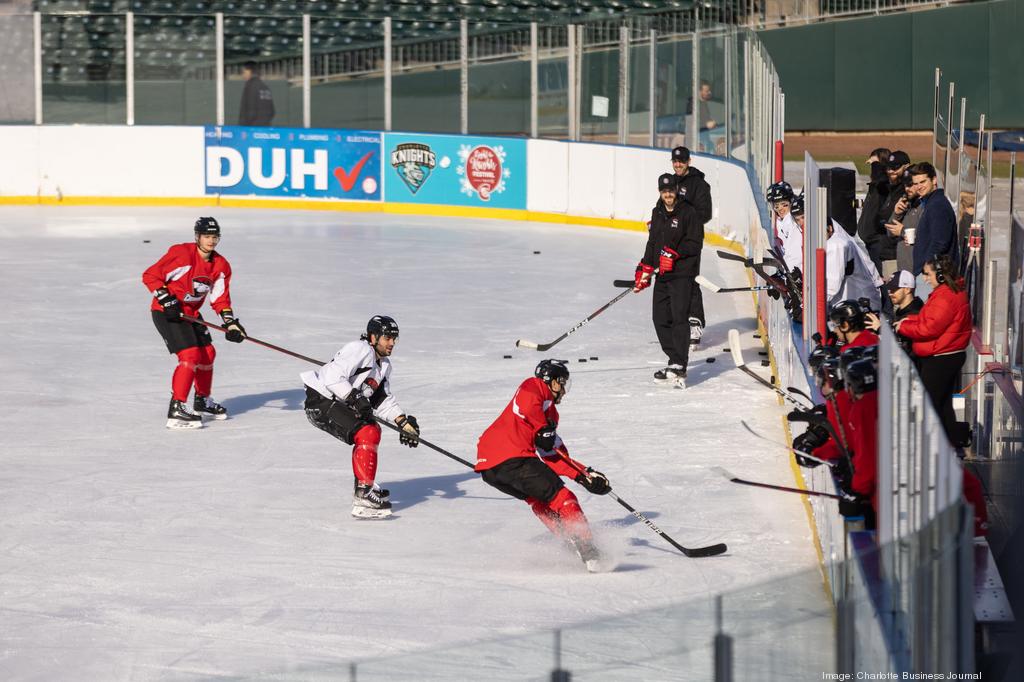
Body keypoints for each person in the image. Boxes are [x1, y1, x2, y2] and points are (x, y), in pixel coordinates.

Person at [476, 360, 611, 572]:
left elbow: (552, 453)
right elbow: (525, 405)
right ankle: (589, 550)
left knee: (538, 499)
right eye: (562, 383)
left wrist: (584, 475)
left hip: (492, 469)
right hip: (513, 458)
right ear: (552, 381)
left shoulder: (551, 415)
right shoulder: (534, 386)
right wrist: (541, 429)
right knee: (563, 498)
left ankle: (571, 542)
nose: (565, 390)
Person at [301, 315, 421, 519]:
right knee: (367, 431)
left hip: (336, 402)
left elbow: (381, 399)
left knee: (372, 430)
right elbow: (332, 377)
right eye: (387, 338)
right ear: (373, 337)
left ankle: (364, 488)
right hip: (321, 401)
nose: (392, 343)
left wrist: (403, 421)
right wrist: (355, 397)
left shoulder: (384, 366)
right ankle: (364, 495)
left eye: (395, 338)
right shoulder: (360, 349)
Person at [142, 217, 247, 429]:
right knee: (190, 355)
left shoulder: (220, 265)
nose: (211, 241)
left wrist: (230, 323)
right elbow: (151, 275)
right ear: (197, 237)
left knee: (208, 353)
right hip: (167, 312)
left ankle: (202, 400)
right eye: (207, 236)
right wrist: (166, 298)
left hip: (190, 313)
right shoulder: (182, 254)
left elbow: (219, 299)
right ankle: (177, 407)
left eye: (214, 236)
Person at [633, 173, 704, 388]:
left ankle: (680, 365)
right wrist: (645, 267)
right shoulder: (657, 212)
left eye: (671, 191)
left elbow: (695, 244)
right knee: (660, 318)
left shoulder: (688, 212)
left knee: (679, 319)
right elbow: (653, 242)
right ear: (660, 193)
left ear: (676, 190)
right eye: (664, 192)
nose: (668, 195)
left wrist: (674, 254)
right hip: (662, 275)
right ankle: (674, 359)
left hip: (682, 274)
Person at [894, 254, 972, 447]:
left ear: (941, 275)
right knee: (943, 404)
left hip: (941, 359)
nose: (925, 279)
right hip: (946, 355)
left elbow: (928, 328)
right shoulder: (946, 292)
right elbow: (927, 320)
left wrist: (902, 327)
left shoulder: (945, 297)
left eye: (927, 274)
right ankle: (952, 441)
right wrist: (907, 321)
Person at [670, 145, 713, 345]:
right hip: (671, 239)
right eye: (675, 161)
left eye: (682, 161)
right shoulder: (670, 182)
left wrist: (683, 220)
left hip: (691, 240)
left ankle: (695, 322)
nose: (678, 164)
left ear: (689, 162)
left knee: (689, 279)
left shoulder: (699, 185)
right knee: (672, 279)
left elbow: (705, 214)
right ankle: (679, 320)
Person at [907, 162, 958, 289]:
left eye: (923, 182)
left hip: (932, 275)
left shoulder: (937, 205)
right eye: (915, 183)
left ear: (934, 180)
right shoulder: (931, 203)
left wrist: (926, 270)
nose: (919, 187)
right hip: (928, 273)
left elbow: (940, 242)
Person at [825, 216, 883, 311]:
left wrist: (811, 304)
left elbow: (831, 287)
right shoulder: (834, 242)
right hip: (850, 303)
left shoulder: (836, 244)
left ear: (830, 228)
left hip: (859, 304)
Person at [865, 270, 924, 358]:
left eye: (894, 289)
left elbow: (903, 344)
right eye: (889, 289)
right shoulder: (902, 310)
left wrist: (880, 328)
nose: (890, 293)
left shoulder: (916, 313)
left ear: (907, 289)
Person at [855, 147, 892, 273]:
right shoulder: (876, 186)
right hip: (872, 242)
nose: (872, 167)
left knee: (883, 280)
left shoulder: (884, 184)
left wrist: (876, 163)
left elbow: (881, 179)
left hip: (879, 243)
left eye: (875, 164)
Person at [767, 181, 802, 274]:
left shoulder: (793, 221)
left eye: (784, 204)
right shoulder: (781, 220)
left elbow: (795, 253)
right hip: (791, 268)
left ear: (791, 201)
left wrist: (788, 273)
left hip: (797, 270)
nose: (780, 209)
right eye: (776, 206)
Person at [238, 61, 275, 126]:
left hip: (252, 130)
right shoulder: (265, 87)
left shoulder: (250, 86)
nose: (243, 75)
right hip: (266, 130)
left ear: (248, 71)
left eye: (243, 72)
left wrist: (243, 127)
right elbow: (272, 112)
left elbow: (249, 111)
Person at [686, 80, 718, 152]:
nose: (709, 93)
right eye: (707, 91)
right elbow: (690, 124)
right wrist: (706, 125)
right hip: (696, 143)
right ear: (699, 91)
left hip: (703, 140)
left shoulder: (704, 103)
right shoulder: (692, 104)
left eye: (709, 90)